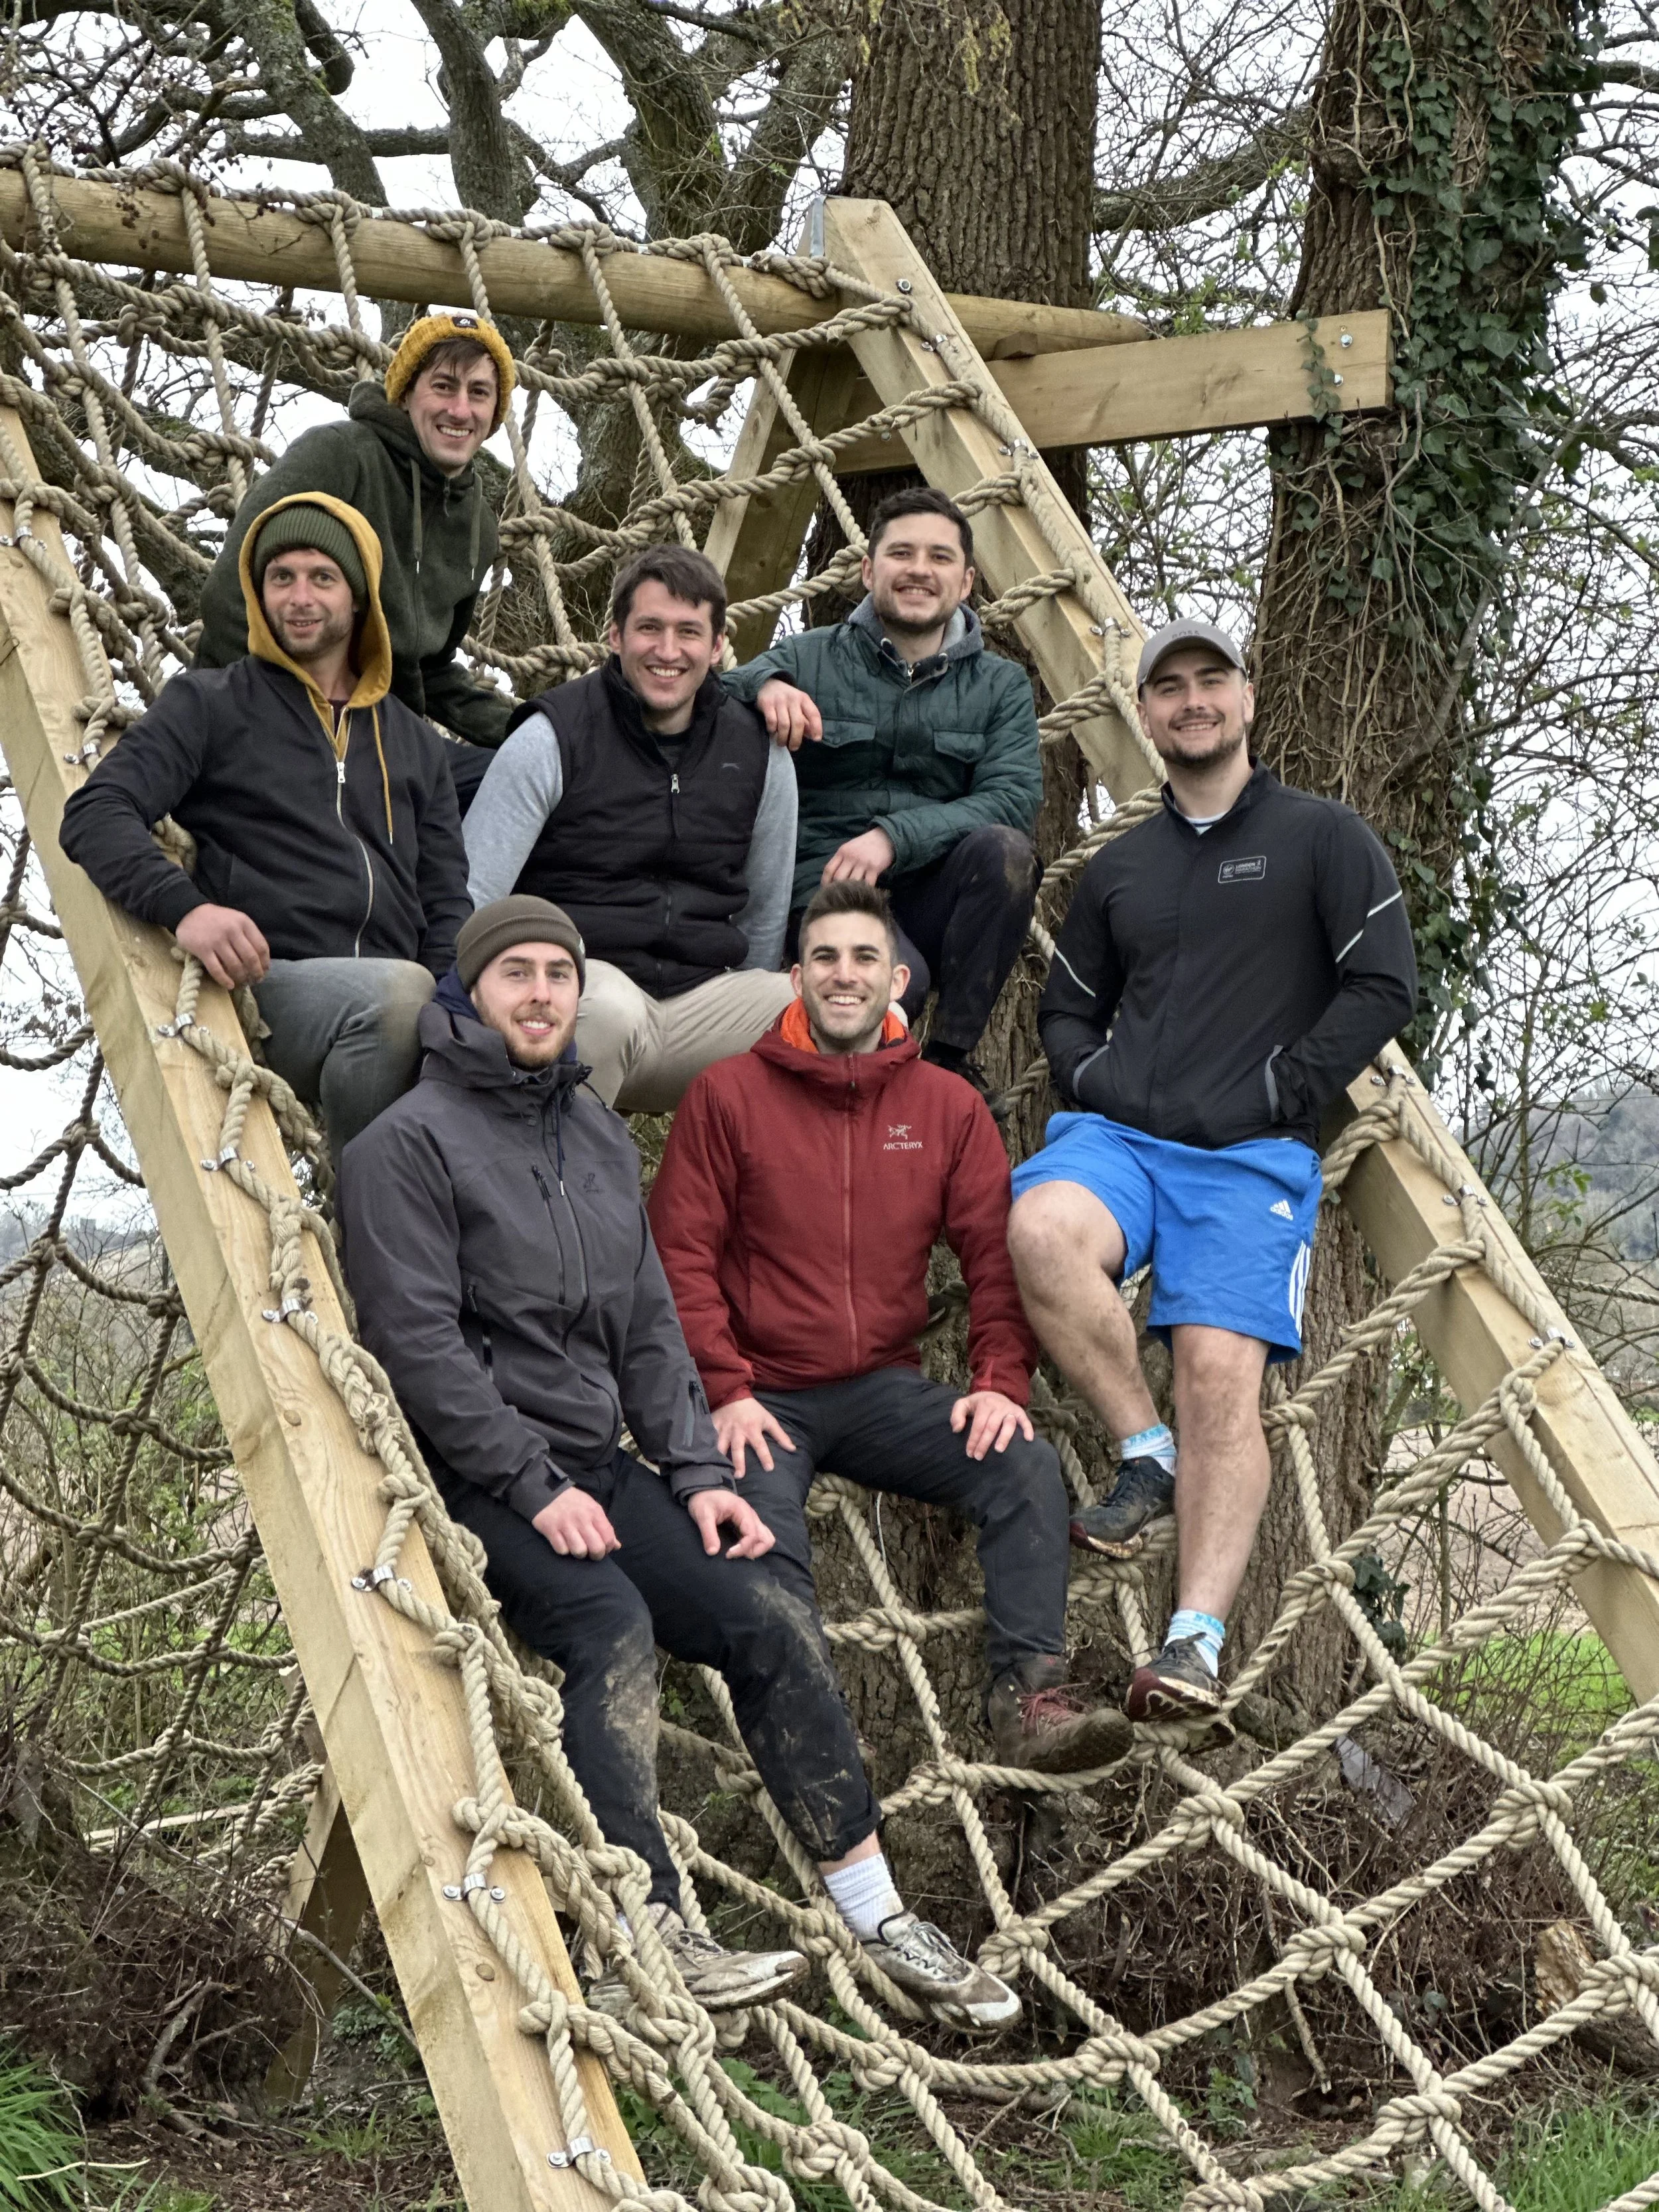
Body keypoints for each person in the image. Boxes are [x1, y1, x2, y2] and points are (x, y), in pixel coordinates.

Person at [338, 895, 1025, 2029]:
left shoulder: (596, 1131)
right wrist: (531, 1485)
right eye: (517, 973)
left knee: (766, 1609)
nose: (545, 993)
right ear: (472, 992)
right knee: (608, 1622)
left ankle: (877, 1911)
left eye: (561, 972)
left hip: (601, 1464)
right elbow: (420, 1348)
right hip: (476, 1476)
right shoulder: (403, 1146)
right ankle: (641, 1931)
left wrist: (699, 1474)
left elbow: (651, 1318)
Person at [1005, 618, 1418, 1722]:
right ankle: (1145, 1453)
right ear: (1145, 715)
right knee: (1041, 1229)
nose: (1191, 700)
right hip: (1122, 1141)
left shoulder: (1326, 838)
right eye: (1169, 687)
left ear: (1245, 696)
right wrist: (1094, 1075)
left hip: (1249, 1159)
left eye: (1211, 680)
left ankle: (1192, 1642)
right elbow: (1067, 1005)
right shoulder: (1120, 868)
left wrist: (1279, 1089)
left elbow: (1382, 987)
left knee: (1220, 1379)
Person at [648, 877, 1131, 1781]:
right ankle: (812, 1722)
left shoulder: (946, 1109)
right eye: (824, 957)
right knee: (753, 1524)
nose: (844, 975)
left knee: (1025, 1463)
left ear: (899, 978)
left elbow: (995, 1258)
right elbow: (679, 1256)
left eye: (864, 958)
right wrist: (724, 1389)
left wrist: (998, 1382)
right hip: (765, 1389)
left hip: (881, 1387)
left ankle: (1027, 1698)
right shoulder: (726, 1096)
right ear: (795, 976)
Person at [60, 495, 470, 1155]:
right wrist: (188, 909)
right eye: (281, 578)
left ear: (360, 597)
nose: (299, 597)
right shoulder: (213, 703)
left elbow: (447, 898)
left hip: (400, 1003)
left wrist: (456, 1020)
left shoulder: (412, 741)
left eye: (322, 578)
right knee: (400, 999)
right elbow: (95, 813)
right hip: (267, 987)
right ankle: (367, 1218)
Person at [722, 488, 1043, 1088]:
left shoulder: (1001, 686)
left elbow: (1013, 798)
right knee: (899, 980)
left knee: (1008, 856)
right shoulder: (811, 656)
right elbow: (715, 696)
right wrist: (764, 685)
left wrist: (894, 837)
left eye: (940, 558)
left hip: (931, 891)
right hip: (825, 887)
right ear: (870, 570)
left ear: (967, 581)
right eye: (902, 553)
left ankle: (950, 1062)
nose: (920, 569)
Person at [462, 544, 797, 1112]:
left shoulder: (759, 751)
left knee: (842, 1016)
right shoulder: (554, 735)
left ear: (717, 647)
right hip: (583, 988)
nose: (668, 651)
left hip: (701, 1003)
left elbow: (765, 917)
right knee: (609, 1007)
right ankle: (556, 1182)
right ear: (615, 637)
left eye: (689, 633)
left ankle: (773, 1195)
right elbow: (474, 897)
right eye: (649, 628)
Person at [195, 311, 515, 767]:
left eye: (478, 393)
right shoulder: (340, 456)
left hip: (382, 744)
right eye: (443, 386)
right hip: (259, 721)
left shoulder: (478, 527)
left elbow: (428, 669)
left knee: (528, 779)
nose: (460, 410)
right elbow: (230, 599)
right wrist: (296, 721)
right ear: (405, 393)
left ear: (495, 412)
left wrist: (534, 729)